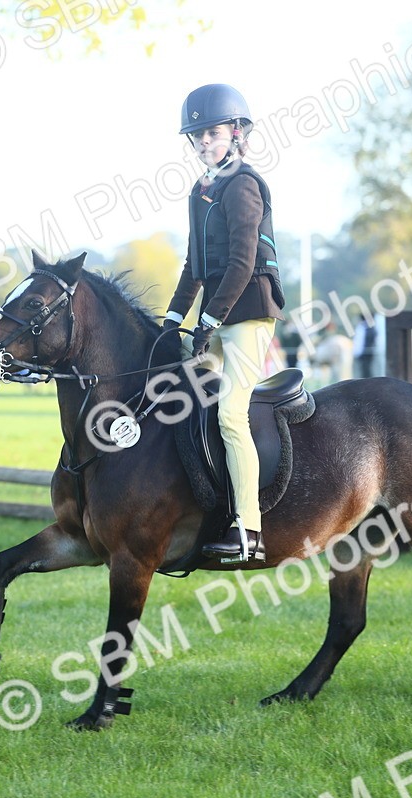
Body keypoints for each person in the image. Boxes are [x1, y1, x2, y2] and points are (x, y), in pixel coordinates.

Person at [163, 84, 286, 563]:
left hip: (250, 314)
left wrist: (207, 321)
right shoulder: (200, 191)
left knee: (231, 414)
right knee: (182, 401)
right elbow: (195, 266)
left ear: (236, 134)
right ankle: (198, 508)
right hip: (213, 319)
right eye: (195, 136)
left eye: (210, 133)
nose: (202, 143)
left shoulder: (244, 185)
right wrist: (172, 320)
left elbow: (242, 261)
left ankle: (249, 533)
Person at [352, 311, 378, 379]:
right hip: (365, 353)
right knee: (365, 371)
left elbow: (359, 341)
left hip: (367, 352)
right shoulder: (365, 327)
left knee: (367, 371)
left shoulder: (366, 328)